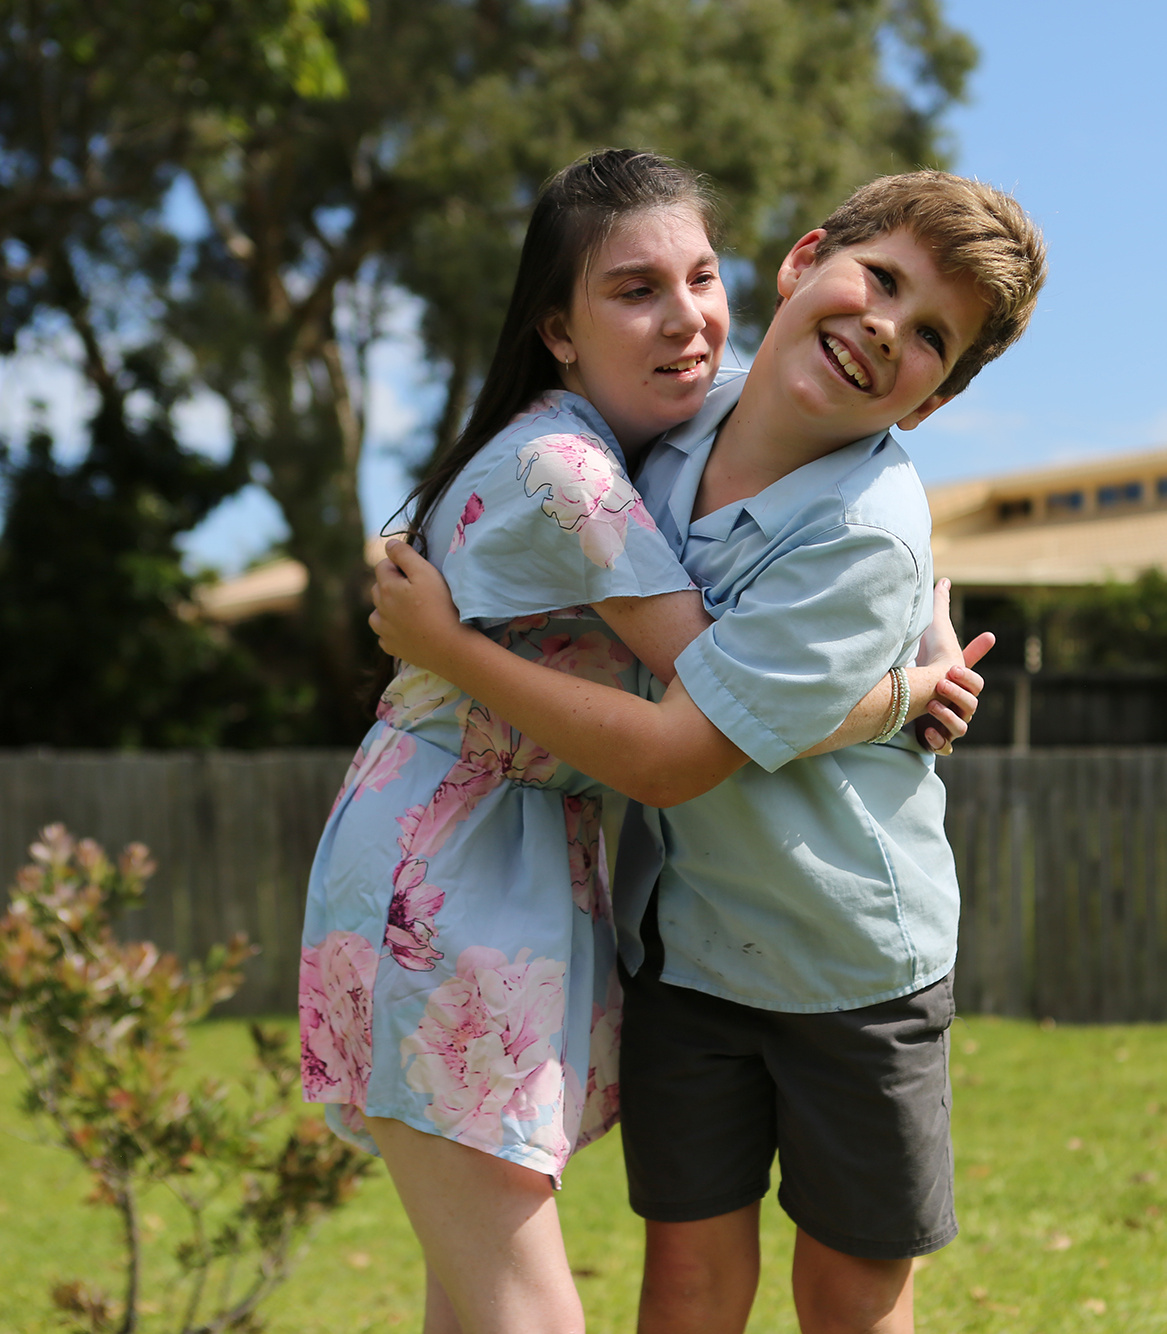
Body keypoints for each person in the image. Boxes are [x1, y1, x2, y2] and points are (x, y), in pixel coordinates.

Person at [299, 149, 983, 1334]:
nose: (683, 319)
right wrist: (895, 691)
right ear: (555, 328)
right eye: (632, 290)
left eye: (697, 278)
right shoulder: (596, 463)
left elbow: (846, 551)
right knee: (547, 1301)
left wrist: (912, 633)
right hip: (483, 875)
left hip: (779, 933)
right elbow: (698, 699)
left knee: (481, 1296)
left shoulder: (671, 432)